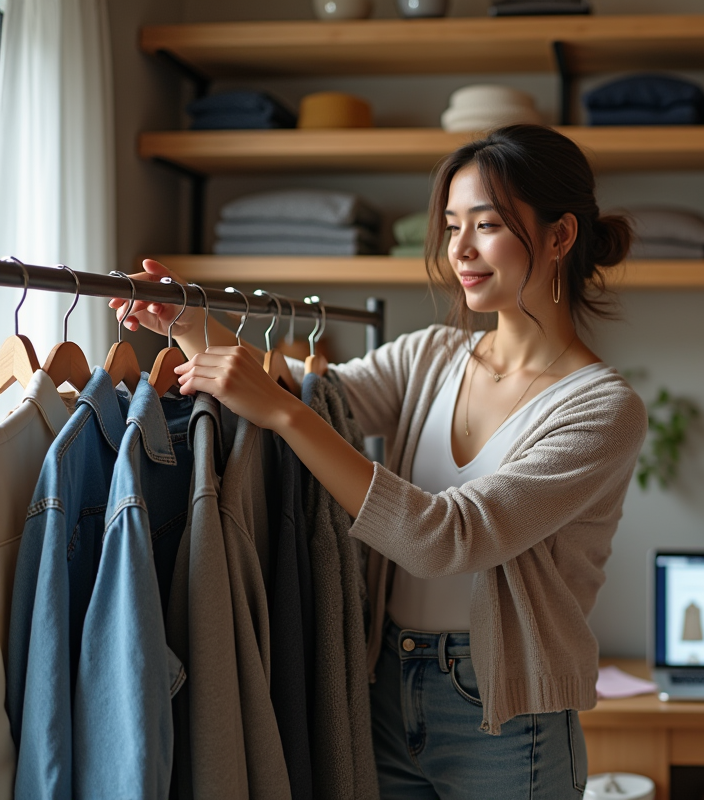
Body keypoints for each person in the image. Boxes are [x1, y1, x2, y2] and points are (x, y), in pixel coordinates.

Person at [112, 124, 648, 799]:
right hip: (384, 681)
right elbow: (312, 406)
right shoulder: (429, 355)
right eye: (452, 225)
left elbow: (448, 537)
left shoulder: (603, 409)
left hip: (505, 713)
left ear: (560, 236)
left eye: (485, 225)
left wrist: (286, 413)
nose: (460, 249)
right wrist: (186, 323)